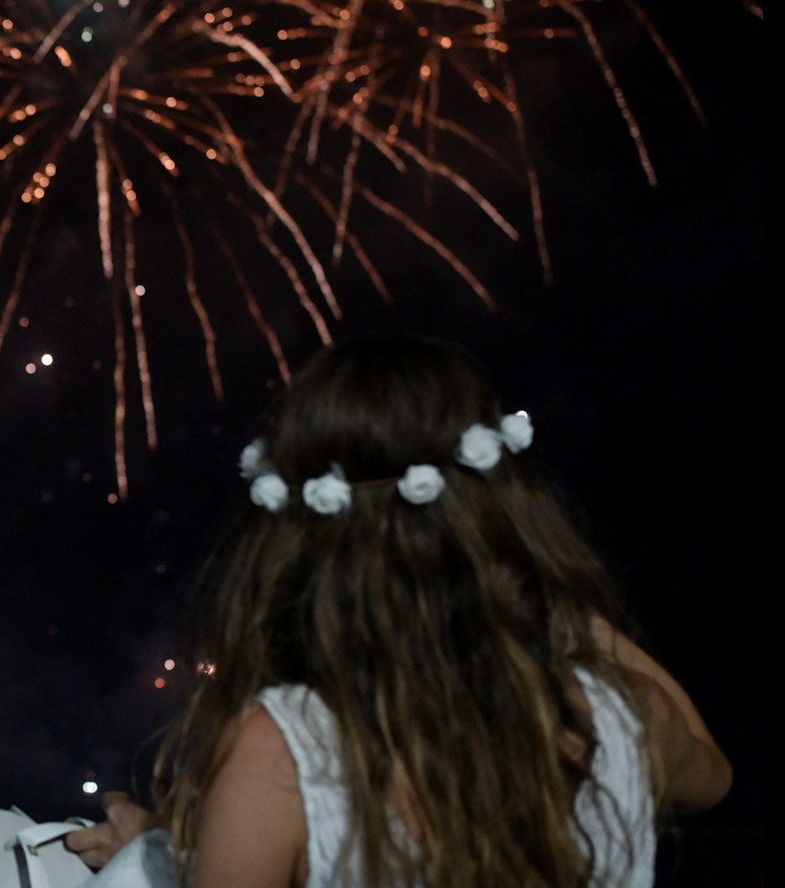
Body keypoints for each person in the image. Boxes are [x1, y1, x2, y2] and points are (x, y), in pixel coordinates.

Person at [66, 333, 731, 886]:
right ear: (503, 502)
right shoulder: (619, 712)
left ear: (297, 532)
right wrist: (547, 603)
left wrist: (154, 855)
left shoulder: (283, 754)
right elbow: (711, 774)